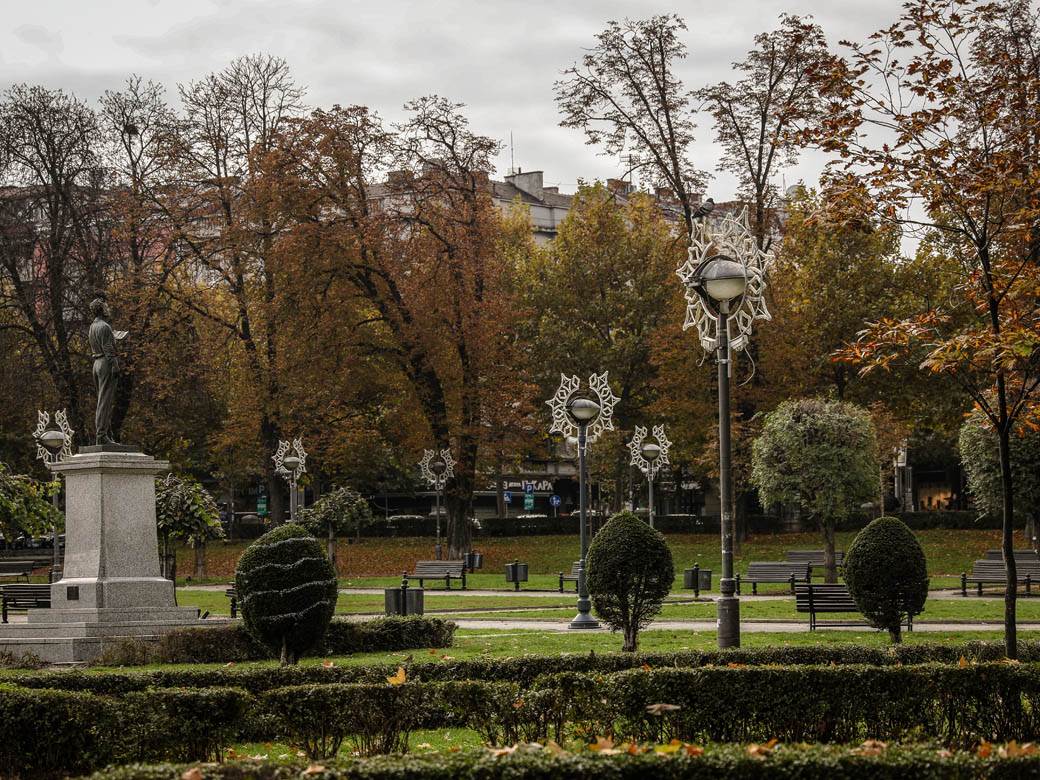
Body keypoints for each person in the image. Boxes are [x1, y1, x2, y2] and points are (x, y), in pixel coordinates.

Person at [88, 297, 121, 445]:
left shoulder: (92, 326)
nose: (108, 309)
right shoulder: (105, 326)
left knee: (102, 400)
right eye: (106, 307)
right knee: (105, 401)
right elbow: (107, 349)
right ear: (101, 310)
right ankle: (102, 435)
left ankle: (106, 433)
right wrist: (115, 365)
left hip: (96, 364)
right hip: (105, 363)